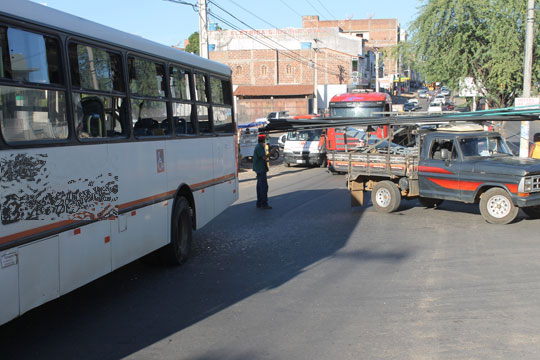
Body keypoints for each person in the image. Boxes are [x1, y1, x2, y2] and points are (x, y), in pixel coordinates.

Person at [253, 134, 272, 209]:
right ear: (263, 140)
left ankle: (259, 203)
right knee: (264, 187)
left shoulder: (259, 146)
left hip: (259, 169)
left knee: (260, 187)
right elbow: (264, 157)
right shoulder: (259, 147)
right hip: (260, 169)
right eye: (265, 139)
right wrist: (271, 153)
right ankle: (264, 203)